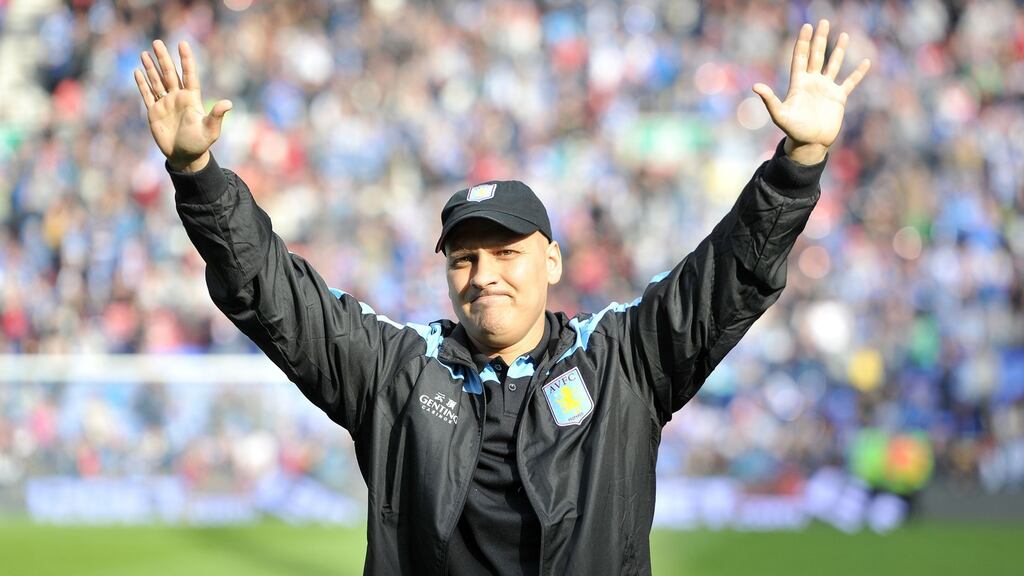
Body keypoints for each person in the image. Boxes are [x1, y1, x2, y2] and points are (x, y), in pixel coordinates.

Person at [134, 19, 869, 576]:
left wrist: (797, 165)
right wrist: (198, 173)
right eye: (464, 258)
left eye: (507, 254)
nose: (484, 274)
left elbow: (728, 278)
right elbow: (270, 293)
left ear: (550, 260)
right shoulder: (395, 370)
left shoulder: (622, 358)